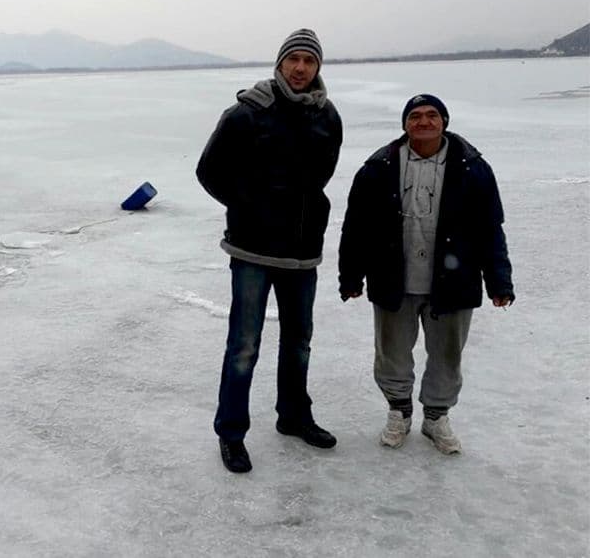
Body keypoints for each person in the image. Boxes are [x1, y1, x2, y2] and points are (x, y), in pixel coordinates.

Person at [196, 29, 343, 473]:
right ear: (279, 64)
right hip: (253, 251)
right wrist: (250, 208)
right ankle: (231, 432)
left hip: (302, 252)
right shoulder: (247, 112)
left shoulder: (327, 115)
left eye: (309, 61)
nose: (300, 68)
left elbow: (323, 174)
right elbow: (209, 170)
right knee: (244, 344)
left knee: (299, 341)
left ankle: (294, 416)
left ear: (318, 68)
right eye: (293, 59)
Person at [338, 94, 514, 454]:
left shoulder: (473, 167)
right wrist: (351, 276)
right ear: (404, 124)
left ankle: (436, 417)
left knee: (447, 354)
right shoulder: (378, 166)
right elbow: (356, 227)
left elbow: (489, 228)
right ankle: (399, 411)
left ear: (444, 121)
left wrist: (499, 280)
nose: (423, 122)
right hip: (394, 279)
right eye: (415, 116)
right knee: (392, 353)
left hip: (453, 281)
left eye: (432, 115)